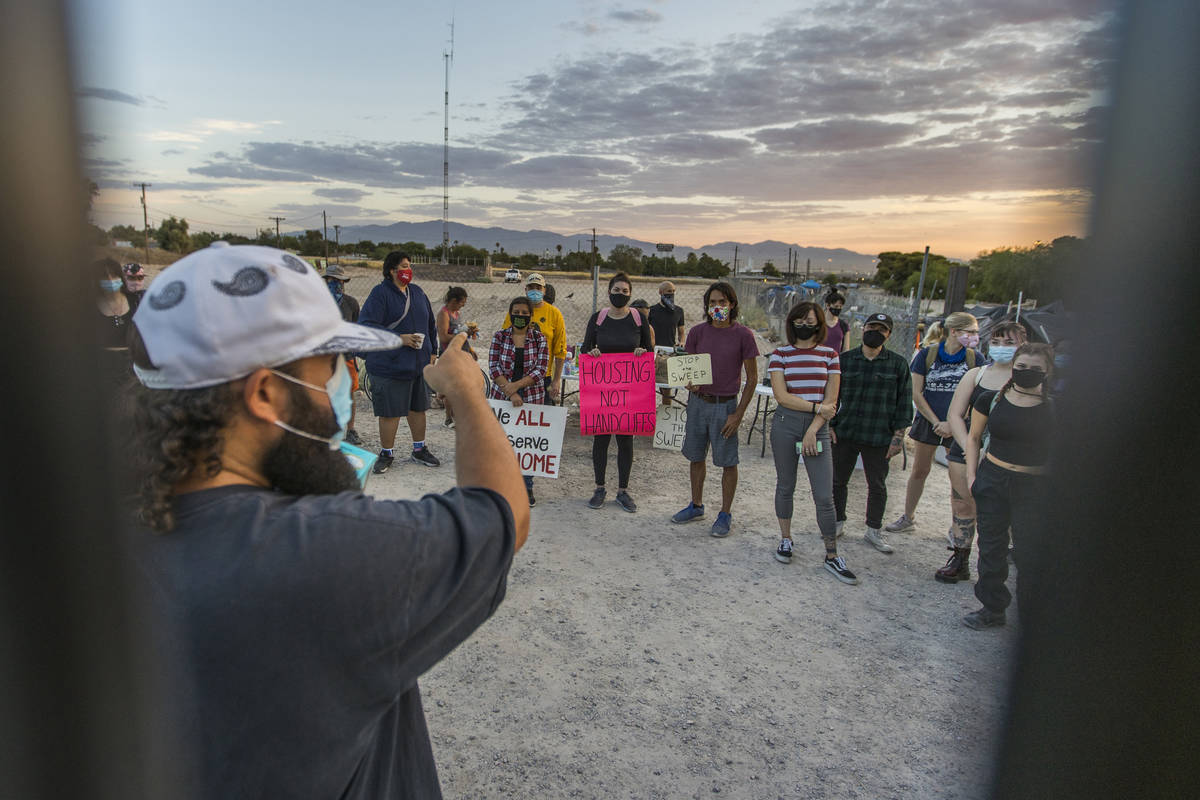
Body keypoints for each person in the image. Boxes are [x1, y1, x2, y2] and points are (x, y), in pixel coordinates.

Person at [123, 242, 530, 798]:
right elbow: (501, 513)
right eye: (330, 365)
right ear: (264, 392)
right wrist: (467, 391)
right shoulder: (319, 554)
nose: (349, 383)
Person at [961, 342, 1056, 630]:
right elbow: (974, 438)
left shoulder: (1055, 409)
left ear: (1048, 371)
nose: (1027, 372)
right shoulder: (991, 400)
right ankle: (992, 608)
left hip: (1033, 486)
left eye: (1036, 369)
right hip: (992, 480)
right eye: (1022, 367)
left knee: (1029, 552)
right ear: (1013, 366)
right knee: (991, 547)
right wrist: (972, 477)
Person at [768, 301, 856, 584]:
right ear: (791, 322)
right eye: (799, 319)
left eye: (810, 320)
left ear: (820, 324)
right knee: (786, 485)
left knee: (823, 494)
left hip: (816, 430)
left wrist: (815, 427)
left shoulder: (830, 355)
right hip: (785, 426)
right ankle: (785, 539)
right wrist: (816, 410)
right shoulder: (780, 354)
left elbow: (831, 400)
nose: (805, 325)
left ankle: (832, 554)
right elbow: (782, 396)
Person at [935, 320, 1029, 582]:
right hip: (966, 448)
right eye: (997, 342)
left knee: (1002, 513)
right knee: (963, 504)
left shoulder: (1027, 379)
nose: (1001, 347)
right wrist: (969, 448)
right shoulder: (975, 375)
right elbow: (954, 415)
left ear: (1023, 345)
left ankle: (996, 566)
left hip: (1005, 454)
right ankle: (960, 558)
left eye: (1009, 343)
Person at [670, 281, 759, 537]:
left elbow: (752, 378)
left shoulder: (744, 335)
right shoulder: (698, 333)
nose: (717, 307)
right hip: (699, 404)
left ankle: (725, 514)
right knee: (696, 457)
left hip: (725, 406)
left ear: (732, 305)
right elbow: (688, 369)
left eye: (722, 302)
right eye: (712, 303)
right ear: (706, 306)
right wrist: (690, 383)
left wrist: (738, 414)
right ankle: (696, 505)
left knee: (728, 462)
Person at [885, 311, 984, 534]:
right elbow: (917, 392)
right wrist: (936, 421)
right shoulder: (927, 355)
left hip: (959, 424)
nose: (975, 336)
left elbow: (977, 394)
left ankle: (956, 525)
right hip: (930, 422)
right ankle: (908, 517)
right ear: (954, 331)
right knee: (920, 470)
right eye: (971, 332)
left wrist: (954, 422)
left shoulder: (975, 358)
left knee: (956, 476)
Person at [830, 313, 913, 554]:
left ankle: (873, 530)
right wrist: (831, 425)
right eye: (871, 327)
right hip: (846, 432)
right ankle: (837, 523)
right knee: (837, 481)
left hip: (879, 436)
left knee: (877, 485)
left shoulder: (898, 364)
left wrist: (898, 438)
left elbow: (904, 404)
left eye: (882, 329)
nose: (875, 331)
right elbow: (831, 396)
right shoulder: (844, 360)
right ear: (863, 329)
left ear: (889, 334)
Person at [358, 251, 441, 473]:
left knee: (418, 409)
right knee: (390, 412)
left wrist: (432, 351)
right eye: (404, 266)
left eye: (410, 265)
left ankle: (419, 449)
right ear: (392, 271)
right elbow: (366, 325)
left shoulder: (417, 292)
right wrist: (400, 339)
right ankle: (386, 453)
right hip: (389, 366)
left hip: (417, 366)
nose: (409, 270)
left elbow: (430, 324)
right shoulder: (380, 294)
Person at [582, 272, 652, 512]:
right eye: (616, 290)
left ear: (630, 294)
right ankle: (599, 488)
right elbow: (584, 349)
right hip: (602, 389)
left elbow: (649, 351)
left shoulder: (638, 318)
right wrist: (591, 354)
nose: (620, 294)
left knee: (625, 440)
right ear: (608, 291)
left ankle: (623, 491)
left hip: (629, 390)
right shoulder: (598, 318)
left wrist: (642, 353)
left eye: (625, 291)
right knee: (601, 439)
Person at [488, 296, 550, 508]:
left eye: (525, 313)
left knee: (527, 444)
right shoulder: (499, 337)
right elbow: (494, 367)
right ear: (510, 313)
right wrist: (511, 392)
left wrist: (517, 386)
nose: (520, 316)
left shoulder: (539, 339)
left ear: (531, 316)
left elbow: (541, 369)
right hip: (503, 399)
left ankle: (526, 485)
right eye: (517, 312)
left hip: (532, 399)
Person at [503, 272, 566, 405]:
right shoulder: (516, 311)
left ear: (544, 290)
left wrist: (556, 380)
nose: (535, 291)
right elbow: (504, 340)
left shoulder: (554, 314)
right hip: (515, 375)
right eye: (531, 287)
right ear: (525, 290)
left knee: (542, 416)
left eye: (538, 288)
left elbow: (560, 350)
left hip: (544, 377)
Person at [322, 262, 364, 445]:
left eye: (341, 281)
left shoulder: (350, 303)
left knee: (348, 394)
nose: (338, 284)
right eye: (334, 280)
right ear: (326, 280)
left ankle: (351, 429)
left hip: (346, 356)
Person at [95, 257, 134, 387]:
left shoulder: (136, 301)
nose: (110, 280)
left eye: (113, 274)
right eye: (105, 276)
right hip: (103, 370)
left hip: (134, 368)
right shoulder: (89, 306)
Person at [436, 286, 469, 428]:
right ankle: (449, 418)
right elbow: (443, 337)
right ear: (454, 301)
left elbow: (460, 331)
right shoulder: (444, 314)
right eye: (462, 302)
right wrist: (460, 335)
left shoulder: (457, 313)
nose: (463, 305)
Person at [649, 280, 686, 406]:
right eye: (669, 291)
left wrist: (681, 342)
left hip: (669, 353)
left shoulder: (679, 311)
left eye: (674, 291)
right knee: (649, 387)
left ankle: (665, 415)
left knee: (667, 388)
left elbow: (681, 332)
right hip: (654, 353)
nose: (672, 293)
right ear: (660, 292)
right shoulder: (652, 311)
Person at [822, 288, 850, 353]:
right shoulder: (818, 323)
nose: (838, 309)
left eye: (840, 307)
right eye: (836, 306)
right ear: (827, 305)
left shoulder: (844, 325)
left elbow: (846, 349)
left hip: (836, 361)